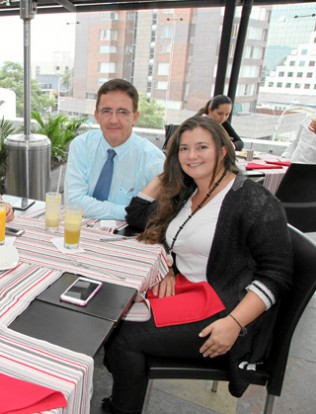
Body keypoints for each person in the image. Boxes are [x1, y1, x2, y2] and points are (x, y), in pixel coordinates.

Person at [102, 117, 292, 414]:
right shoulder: (191, 190)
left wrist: (234, 323)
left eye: (202, 147)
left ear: (223, 150)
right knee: (113, 311)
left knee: (123, 337)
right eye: (184, 148)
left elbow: (277, 275)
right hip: (188, 290)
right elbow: (140, 217)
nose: (192, 155)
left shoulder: (253, 200)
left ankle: (121, 408)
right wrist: (169, 266)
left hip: (226, 309)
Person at [65, 78, 165, 220]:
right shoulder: (81, 145)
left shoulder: (153, 159)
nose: (113, 120)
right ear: (97, 116)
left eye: (122, 112)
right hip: (78, 227)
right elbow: (74, 202)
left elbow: (158, 212)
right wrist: (131, 212)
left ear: (135, 117)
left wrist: (136, 213)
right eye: (106, 111)